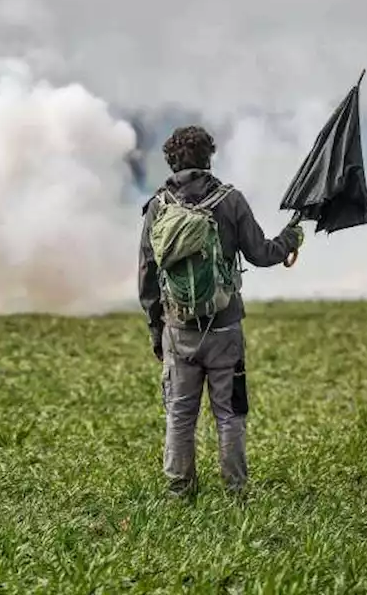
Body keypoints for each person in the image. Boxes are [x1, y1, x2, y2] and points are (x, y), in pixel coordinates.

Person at [138, 125, 304, 497]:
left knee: (180, 415)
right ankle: (236, 491)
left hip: (178, 329)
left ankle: (180, 490)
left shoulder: (157, 207)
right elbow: (261, 254)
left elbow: (147, 276)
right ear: (209, 158)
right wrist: (291, 238)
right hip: (226, 328)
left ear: (170, 160)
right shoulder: (231, 201)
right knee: (229, 414)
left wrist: (156, 333)